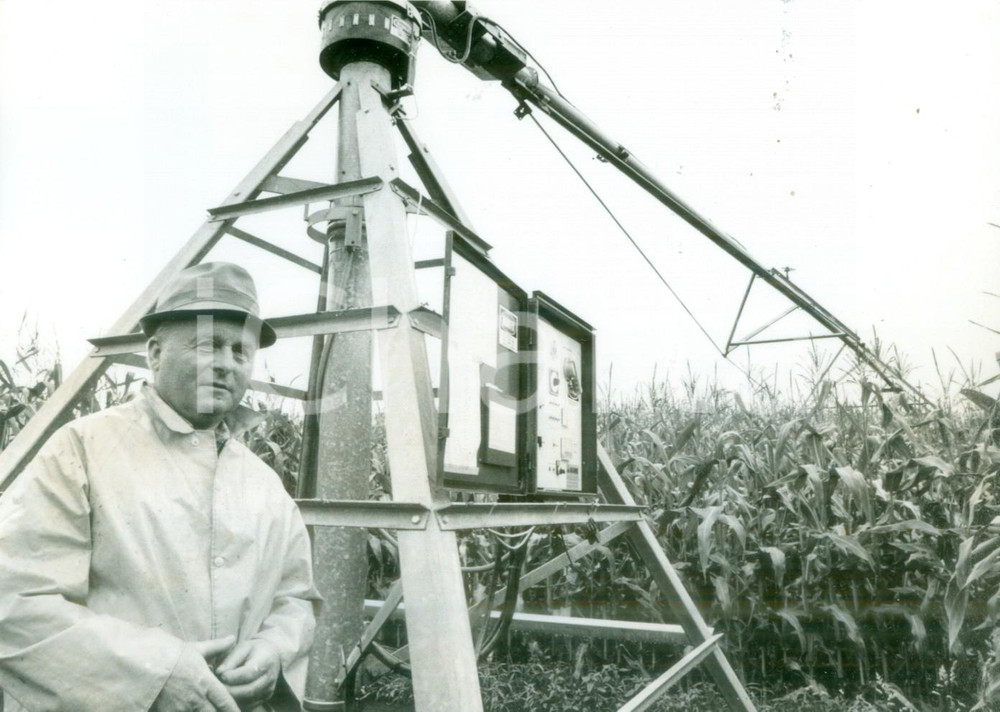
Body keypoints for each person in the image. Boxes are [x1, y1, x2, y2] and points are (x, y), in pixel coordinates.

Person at [0, 262, 320, 712]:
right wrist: (152, 673)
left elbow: (296, 599)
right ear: (154, 352)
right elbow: (14, 603)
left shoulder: (264, 483)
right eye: (209, 344)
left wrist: (273, 652)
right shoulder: (83, 450)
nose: (226, 364)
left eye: (239, 351)